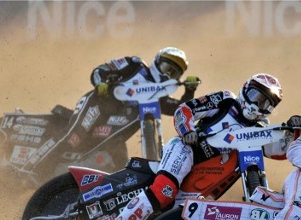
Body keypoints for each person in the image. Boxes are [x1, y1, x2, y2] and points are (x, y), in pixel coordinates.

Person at [101, 73, 301, 220]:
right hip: (187, 149)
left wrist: (294, 131)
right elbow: (185, 109)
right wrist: (187, 131)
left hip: (205, 177)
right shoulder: (226, 101)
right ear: (245, 90)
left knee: (185, 216)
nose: (258, 105)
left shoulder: (260, 130)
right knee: (164, 191)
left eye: (266, 103)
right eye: (256, 97)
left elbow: (280, 151)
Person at [22, 47, 201, 171]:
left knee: (120, 164)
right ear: (157, 62)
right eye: (167, 68)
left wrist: (190, 90)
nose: (168, 75)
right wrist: (100, 84)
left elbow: (180, 110)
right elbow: (100, 70)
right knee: (73, 137)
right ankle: (34, 170)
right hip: (97, 106)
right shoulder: (135, 65)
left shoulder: (158, 97)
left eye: (174, 73)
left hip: (112, 132)